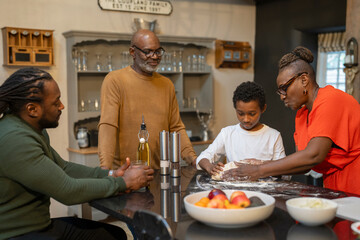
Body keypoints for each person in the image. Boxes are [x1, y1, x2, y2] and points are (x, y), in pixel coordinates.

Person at [0, 68, 154, 240]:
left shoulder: (28, 128)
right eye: (56, 102)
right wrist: (122, 182)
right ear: (32, 109)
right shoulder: (16, 140)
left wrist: (111, 174)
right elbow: (68, 191)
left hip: (39, 227)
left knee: (113, 235)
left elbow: (64, 168)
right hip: (18, 235)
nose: (62, 106)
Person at [224, 46, 360, 195]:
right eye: (279, 91)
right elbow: (303, 165)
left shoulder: (331, 100)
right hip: (334, 185)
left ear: (303, 79)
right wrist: (262, 164)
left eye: (284, 88)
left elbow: (314, 155)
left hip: (355, 180)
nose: (282, 96)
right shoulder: (302, 114)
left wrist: (258, 170)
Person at [98, 29, 197, 170]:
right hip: (125, 175)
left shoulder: (167, 84)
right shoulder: (114, 80)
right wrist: (105, 171)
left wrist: (193, 159)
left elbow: (176, 127)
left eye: (158, 51)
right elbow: (108, 126)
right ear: (132, 52)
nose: (154, 56)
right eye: (147, 52)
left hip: (158, 172)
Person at [196, 81, 286, 176]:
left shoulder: (273, 136)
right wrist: (210, 167)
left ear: (263, 108)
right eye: (240, 113)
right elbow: (203, 157)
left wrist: (261, 165)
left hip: (264, 189)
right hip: (235, 189)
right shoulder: (227, 133)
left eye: (252, 114)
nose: (246, 119)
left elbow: (285, 172)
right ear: (235, 109)